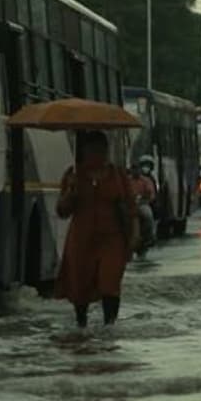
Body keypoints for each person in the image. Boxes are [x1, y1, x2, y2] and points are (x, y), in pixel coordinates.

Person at [55, 131, 136, 328]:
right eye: (93, 149)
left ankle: (110, 325)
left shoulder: (117, 175)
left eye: (102, 149)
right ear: (83, 151)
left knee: (110, 282)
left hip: (112, 237)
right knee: (80, 284)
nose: (98, 154)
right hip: (81, 238)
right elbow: (62, 211)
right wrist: (70, 194)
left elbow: (130, 207)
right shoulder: (73, 175)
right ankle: (81, 324)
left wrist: (133, 236)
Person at [129, 156, 158, 257]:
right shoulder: (127, 181)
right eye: (133, 169)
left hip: (142, 204)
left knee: (148, 216)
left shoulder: (146, 181)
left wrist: (144, 198)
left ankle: (149, 238)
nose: (135, 171)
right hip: (129, 206)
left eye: (136, 168)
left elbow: (151, 194)